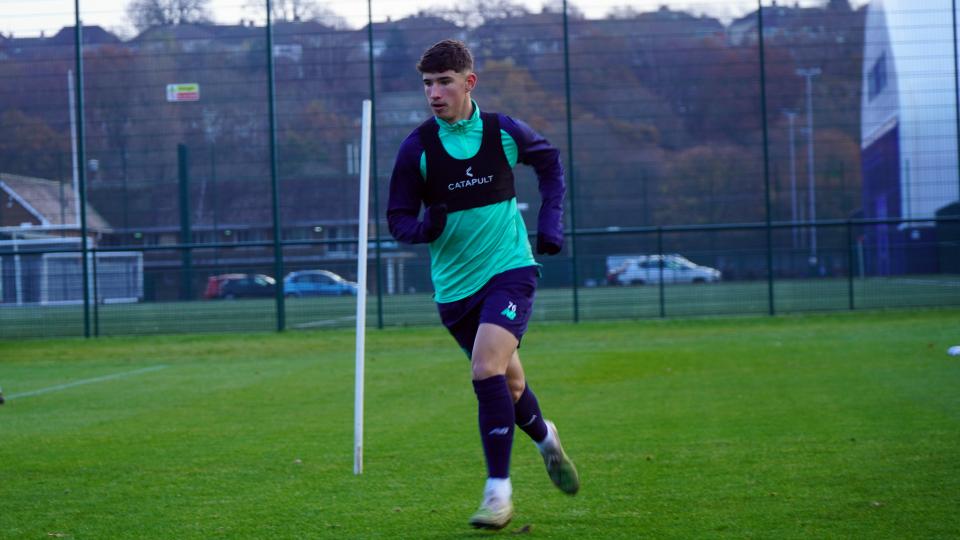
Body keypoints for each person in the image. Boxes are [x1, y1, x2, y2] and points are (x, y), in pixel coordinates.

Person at [387, 39, 579, 530]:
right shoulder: (418, 148)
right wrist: (423, 230)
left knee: (484, 368)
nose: (434, 93)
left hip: (510, 270)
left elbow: (551, 162)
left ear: (468, 82)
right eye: (428, 84)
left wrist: (551, 219)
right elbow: (399, 219)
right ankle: (546, 439)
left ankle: (498, 493)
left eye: (444, 82)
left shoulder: (502, 131)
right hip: (454, 291)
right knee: (509, 383)